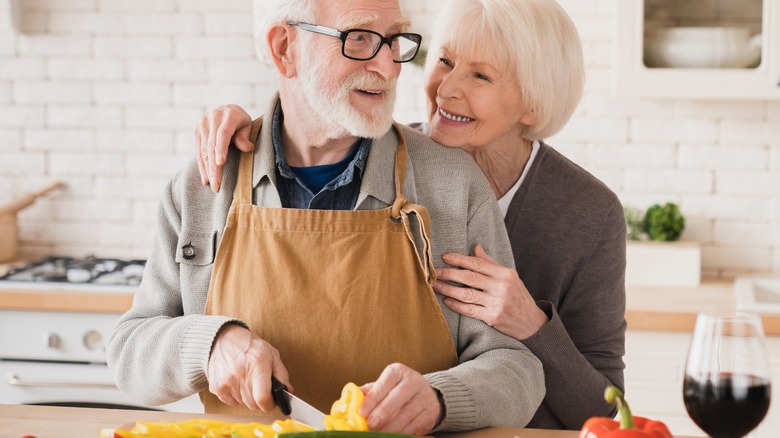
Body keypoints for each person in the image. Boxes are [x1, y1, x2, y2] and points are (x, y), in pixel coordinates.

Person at [107, 0, 545, 435]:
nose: (390, 67)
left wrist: (440, 398)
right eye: (360, 38)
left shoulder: (453, 184)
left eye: (395, 40)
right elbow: (129, 352)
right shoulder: (204, 184)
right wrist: (208, 345)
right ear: (284, 49)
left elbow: (517, 370)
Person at [194, 0, 627, 431]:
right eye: (444, 61)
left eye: (480, 75)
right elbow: (316, 105)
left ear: (532, 103)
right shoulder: (388, 154)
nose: (445, 89)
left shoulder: (590, 213)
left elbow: (604, 408)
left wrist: (531, 324)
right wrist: (247, 124)